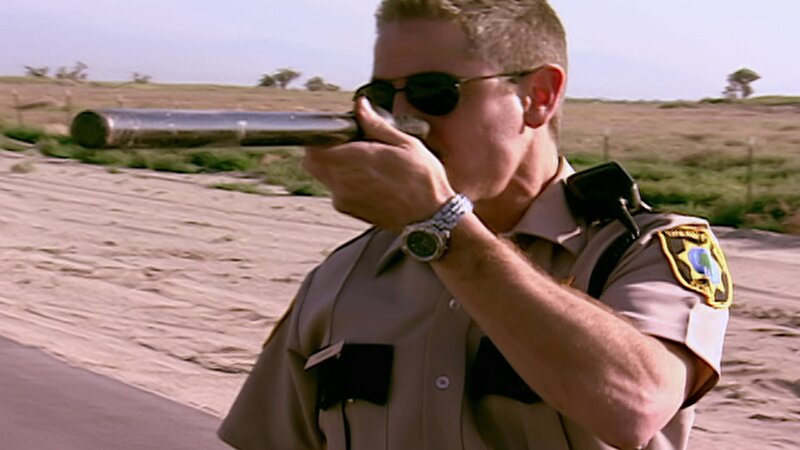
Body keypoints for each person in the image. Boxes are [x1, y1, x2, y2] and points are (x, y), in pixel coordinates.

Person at [218, 1, 732, 449]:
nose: (402, 120)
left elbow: (634, 405)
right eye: (382, 97)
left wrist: (441, 228)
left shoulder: (641, 249)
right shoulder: (345, 275)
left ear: (539, 96)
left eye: (434, 92)